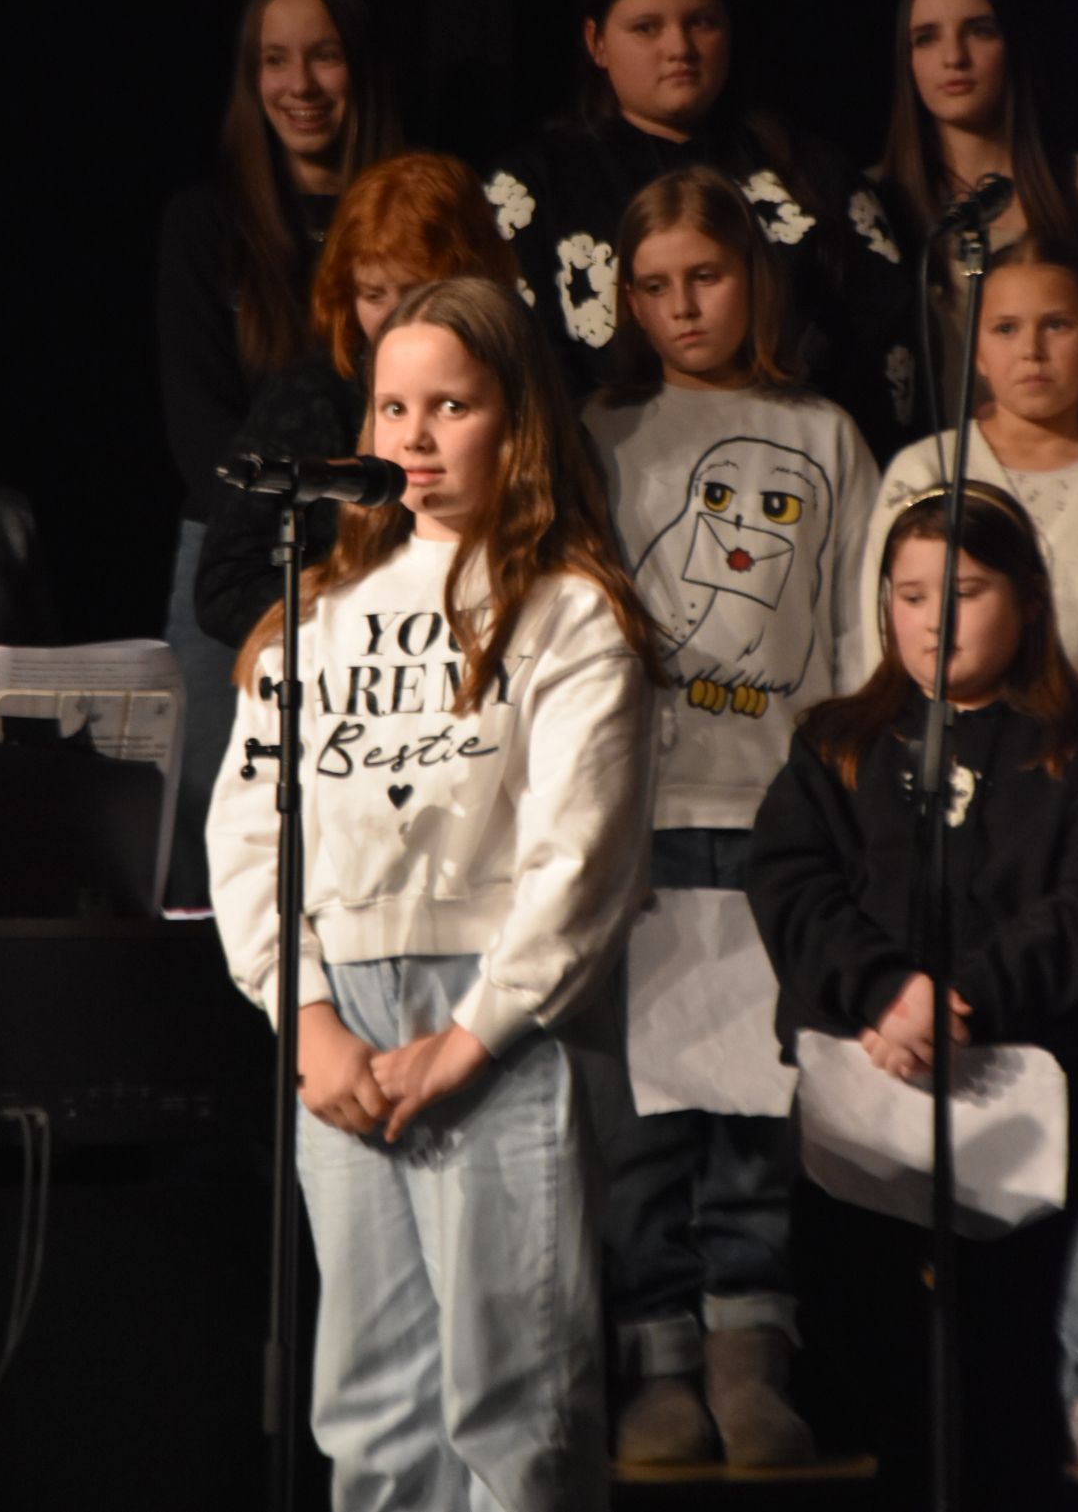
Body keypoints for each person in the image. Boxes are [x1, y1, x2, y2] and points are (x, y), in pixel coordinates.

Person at [207, 277, 661, 1512]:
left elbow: (581, 857)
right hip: (340, 1023)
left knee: (518, 1400)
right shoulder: (314, 615)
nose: (414, 435)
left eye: (451, 405)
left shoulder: (569, 613)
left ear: (517, 423)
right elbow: (249, 832)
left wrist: (469, 1039)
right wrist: (303, 1017)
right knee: (373, 1402)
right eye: (393, 407)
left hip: (498, 1024)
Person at [747, 482, 1078, 1507]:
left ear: (1027, 600)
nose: (933, 620)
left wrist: (963, 998)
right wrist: (886, 992)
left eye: (964, 593)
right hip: (864, 1094)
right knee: (877, 1368)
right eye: (911, 595)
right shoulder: (838, 742)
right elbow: (793, 885)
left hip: (1026, 1106)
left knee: (1005, 1368)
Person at [583, 167, 878, 1465]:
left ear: (752, 274)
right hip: (639, 810)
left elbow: (861, 631)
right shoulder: (602, 429)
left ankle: (750, 1352)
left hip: (776, 811)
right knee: (645, 1103)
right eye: (654, 286)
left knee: (754, 1097)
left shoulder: (823, 432)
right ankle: (658, 1357)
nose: (683, 306)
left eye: (704, 276)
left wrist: (844, 794)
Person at [862, 236, 1078, 1479]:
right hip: (944, 812)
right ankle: (938, 1379)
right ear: (969, 342)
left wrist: (1051, 735)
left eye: (1058, 325)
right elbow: (877, 634)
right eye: (1005, 327)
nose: (1032, 350)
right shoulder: (926, 468)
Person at [487, 0, 915, 461]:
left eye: (701, 22)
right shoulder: (531, 188)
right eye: (647, 28)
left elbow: (885, 346)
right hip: (600, 483)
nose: (680, 47)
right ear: (596, 41)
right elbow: (507, 359)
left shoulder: (810, 173)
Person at [158, 0, 400, 908]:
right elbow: (197, 421)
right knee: (217, 834)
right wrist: (276, 531)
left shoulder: (407, 214)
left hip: (386, 543)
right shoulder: (206, 223)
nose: (300, 84)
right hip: (235, 549)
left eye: (324, 56)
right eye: (275, 60)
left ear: (361, 67)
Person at [194, 151, 519, 650]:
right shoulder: (312, 395)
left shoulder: (523, 388)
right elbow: (226, 586)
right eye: (372, 295)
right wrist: (365, 623)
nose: (394, 319)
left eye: (415, 291)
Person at [874, 0, 1078, 437]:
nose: (953, 57)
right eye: (926, 38)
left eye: (979, 31)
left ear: (1014, 44)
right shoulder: (872, 200)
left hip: (1059, 467)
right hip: (917, 475)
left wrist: (1041, 412)